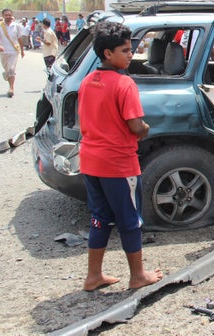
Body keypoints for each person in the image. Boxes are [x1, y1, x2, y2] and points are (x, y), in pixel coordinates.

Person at [78, 20, 163, 291]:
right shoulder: (124, 84)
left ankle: (94, 276)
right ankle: (137, 276)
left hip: (90, 161)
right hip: (118, 164)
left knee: (99, 218)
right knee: (129, 219)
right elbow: (136, 126)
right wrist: (147, 128)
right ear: (107, 54)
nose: (130, 55)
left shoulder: (88, 81)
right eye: (125, 50)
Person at [0, 9, 24, 98]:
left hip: (14, 51)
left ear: (12, 15)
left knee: (11, 69)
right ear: (3, 16)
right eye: (6, 15)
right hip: (4, 52)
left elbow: (20, 39)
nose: (8, 17)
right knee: (7, 70)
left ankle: (11, 88)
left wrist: (22, 50)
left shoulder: (16, 26)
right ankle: (7, 75)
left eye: (9, 15)